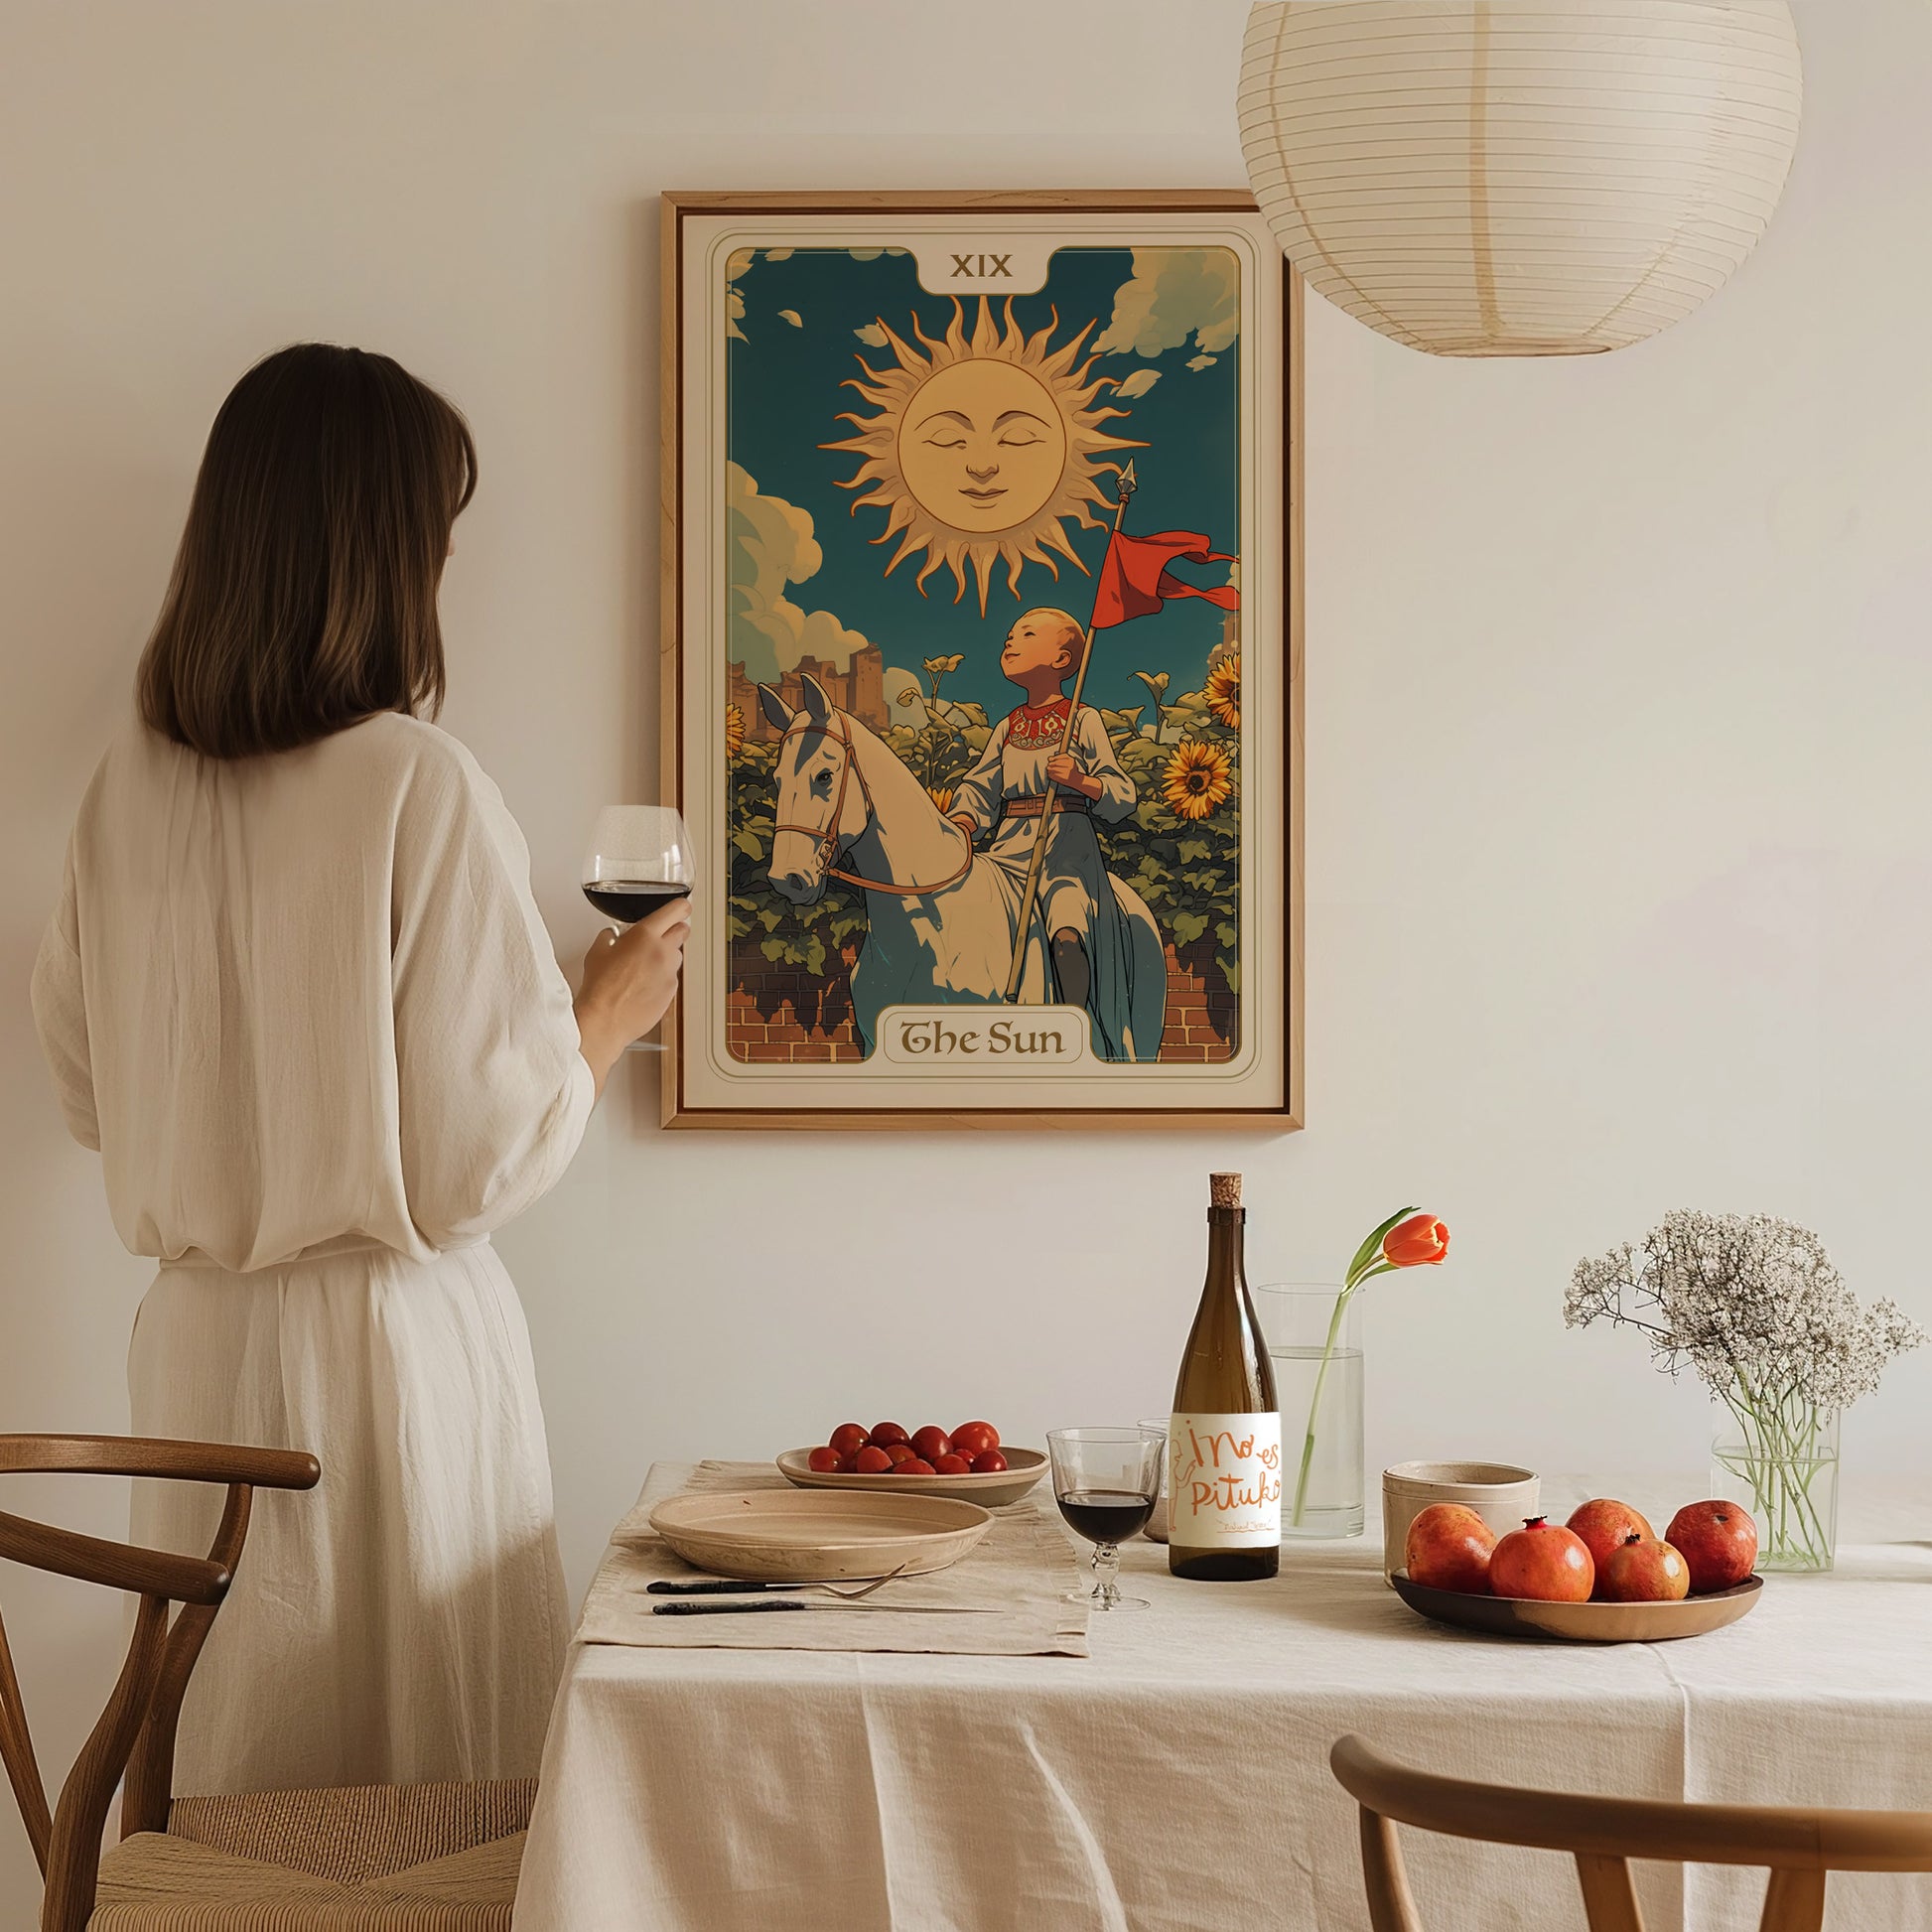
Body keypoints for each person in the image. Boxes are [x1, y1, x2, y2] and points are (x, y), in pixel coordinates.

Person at [29, 344, 686, 1794]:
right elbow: (471, 1163)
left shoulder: (121, 792)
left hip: (195, 1351)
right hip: (389, 1361)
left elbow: (87, 1092)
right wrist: (602, 1012)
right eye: (433, 541)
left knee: (239, 1776)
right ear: (384, 553)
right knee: (422, 1796)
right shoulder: (414, 779)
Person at [946, 607, 1142, 1057]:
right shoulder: (1007, 727)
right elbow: (980, 785)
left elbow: (1123, 794)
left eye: (1026, 634)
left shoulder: (1083, 719)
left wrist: (1082, 781)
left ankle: (1071, 1034)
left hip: (1064, 855)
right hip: (1007, 850)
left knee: (1066, 934)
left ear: (1060, 660)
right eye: (1010, 635)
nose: (1009, 641)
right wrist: (962, 822)